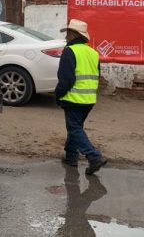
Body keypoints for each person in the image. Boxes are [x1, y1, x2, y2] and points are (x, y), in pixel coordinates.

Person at [55, 18, 108, 175]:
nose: (65, 37)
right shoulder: (93, 53)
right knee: (75, 128)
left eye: (67, 34)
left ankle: (94, 156)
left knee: (74, 128)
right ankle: (71, 157)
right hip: (89, 99)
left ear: (72, 35)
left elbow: (66, 79)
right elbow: (97, 76)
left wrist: (58, 95)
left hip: (73, 98)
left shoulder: (70, 51)